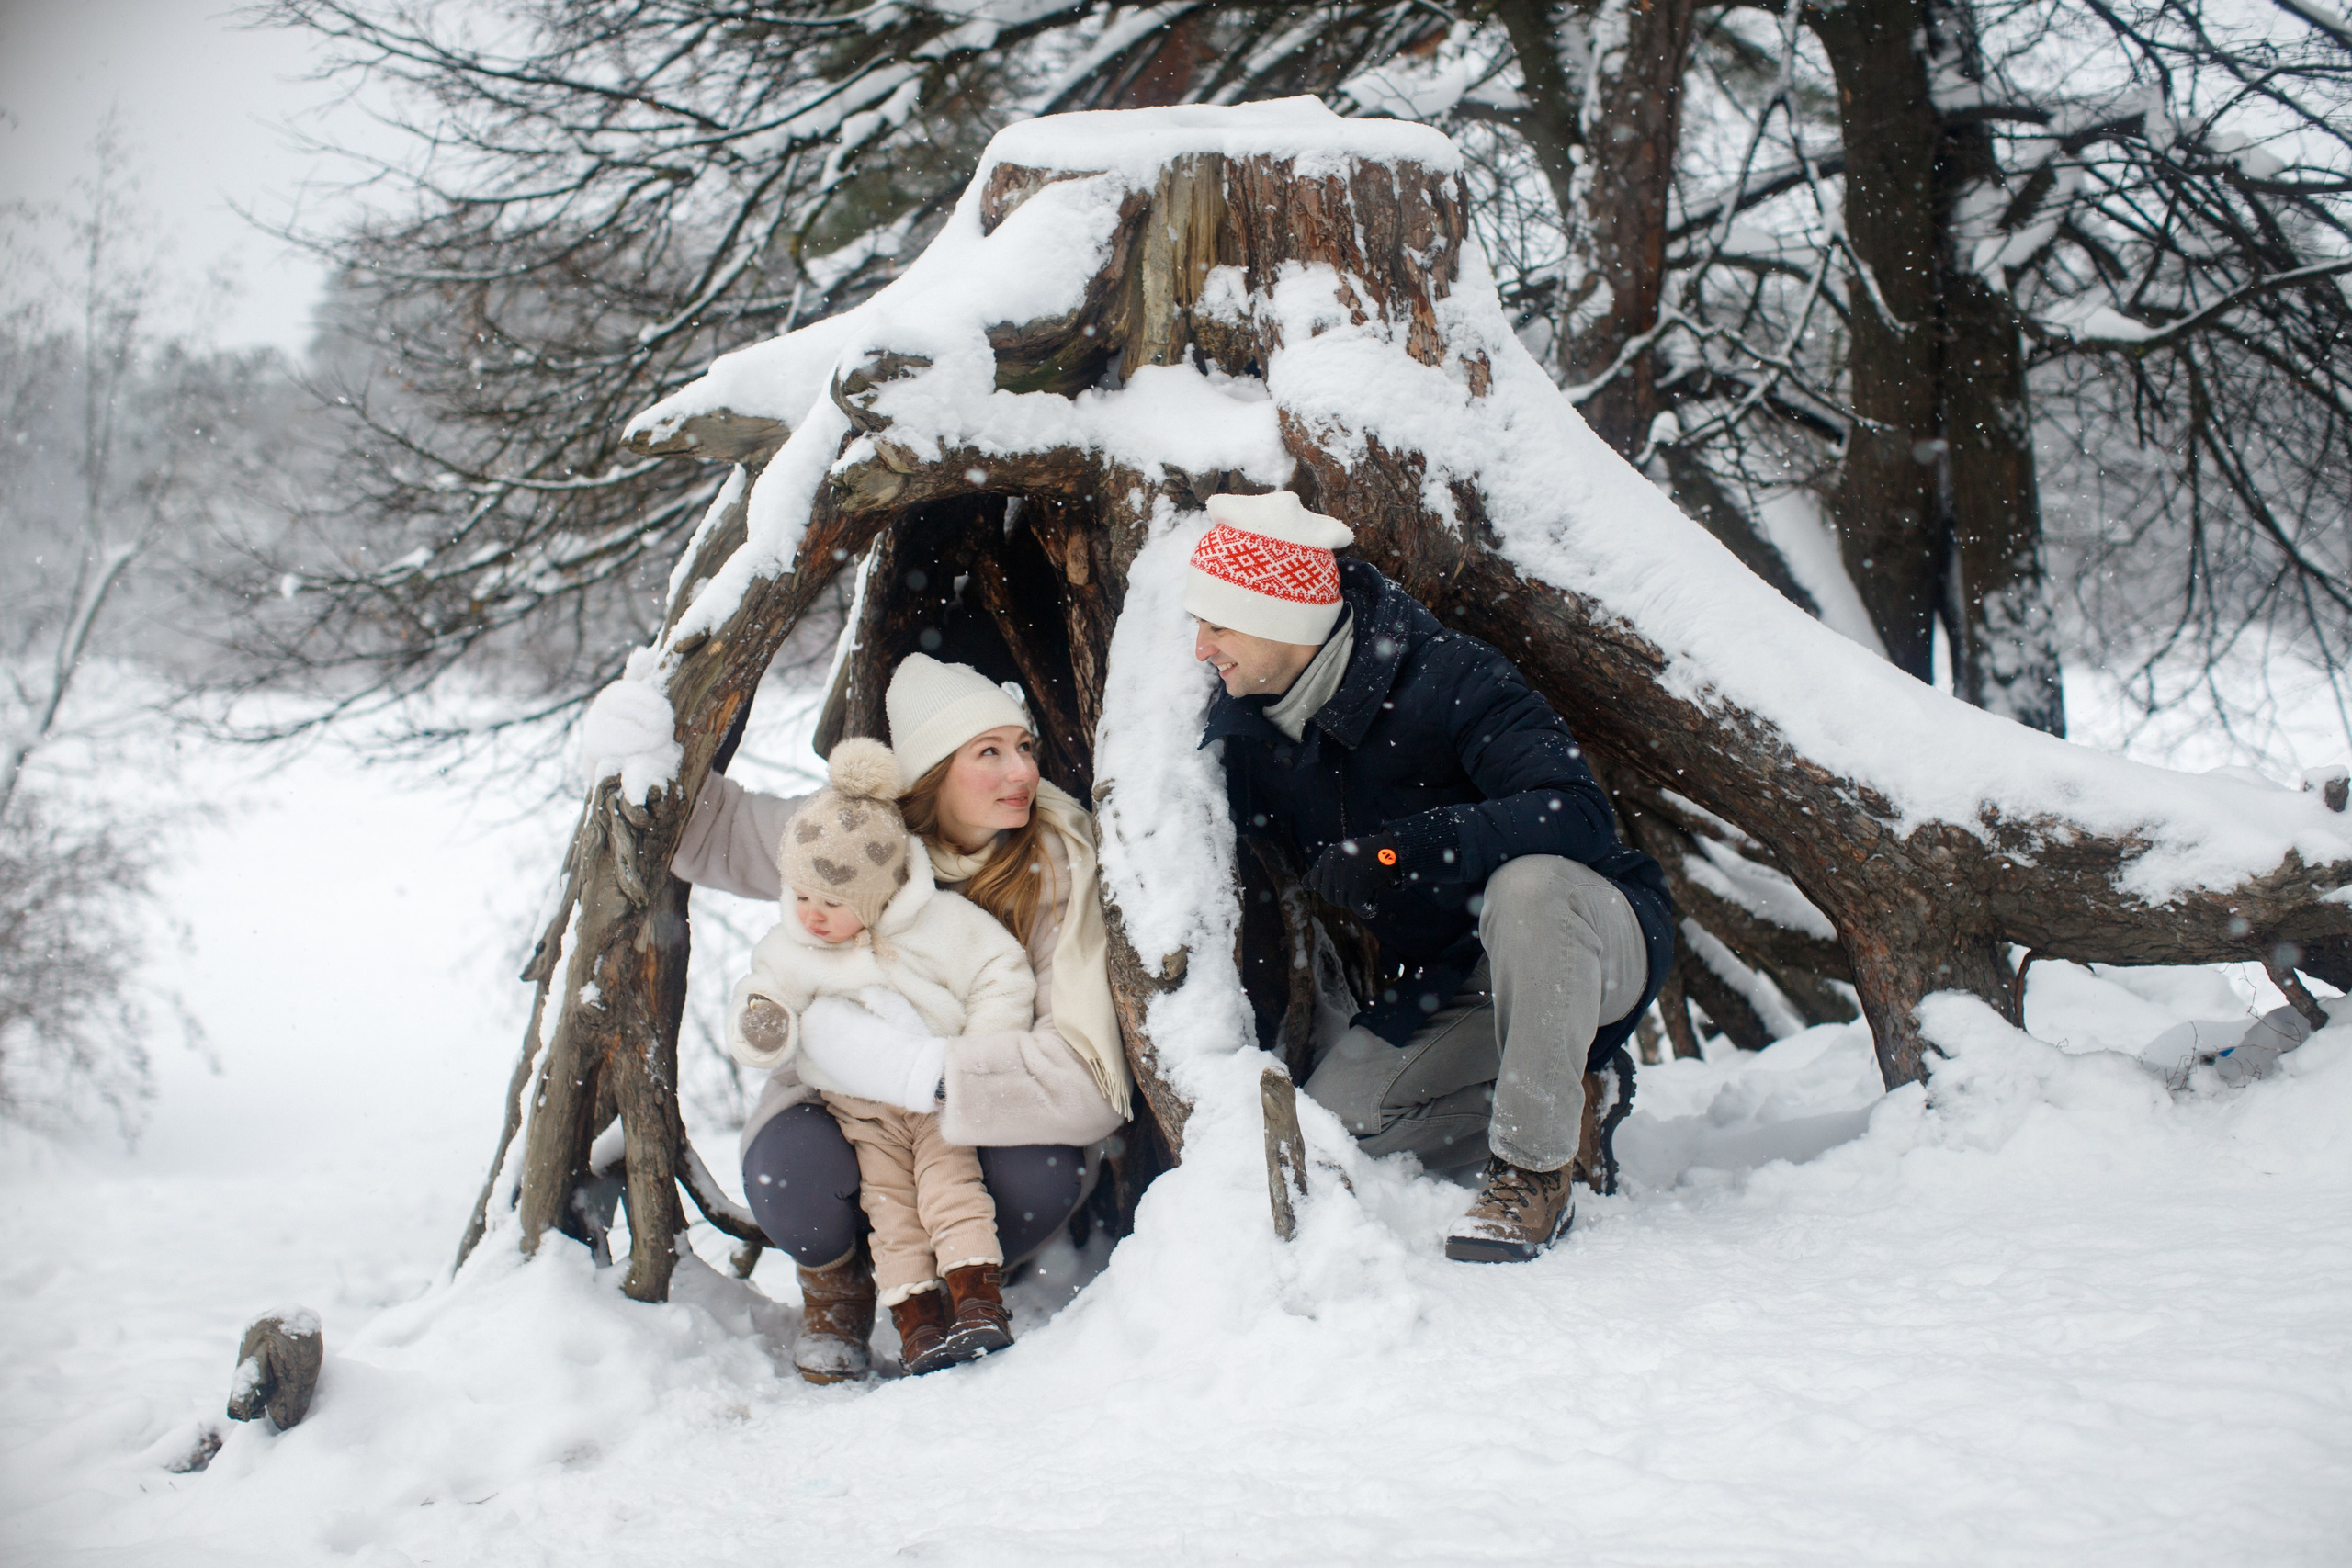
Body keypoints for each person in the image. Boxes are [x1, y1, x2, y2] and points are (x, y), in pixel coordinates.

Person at [1185, 490, 1675, 1262]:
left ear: (1280, 616)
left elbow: (1576, 813)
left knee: (1531, 888)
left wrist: (1401, 851)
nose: (1200, 648)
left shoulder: (1450, 676)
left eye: (1217, 623)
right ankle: (1573, 1092)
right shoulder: (1256, 722)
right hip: (1455, 980)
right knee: (1339, 1125)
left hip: (1588, 937)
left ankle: (1533, 1169)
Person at [665, 654, 1128, 1384]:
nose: (1023, 773)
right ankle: (840, 1288)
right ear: (932, 772)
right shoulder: (862, 837)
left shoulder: (1053, 869)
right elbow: (712, 834)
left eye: (1024, 747)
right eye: (990, 752)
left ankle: (964, 1282)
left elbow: (1089, 1082)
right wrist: (636, 750)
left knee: (1041, 1171)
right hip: (846, 1120)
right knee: (793, 1171)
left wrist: (916, 1068)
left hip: (967, 1126)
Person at [728, 737, 1036, 1374]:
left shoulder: (936, 923)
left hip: (938, 1099)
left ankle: (977, 1300)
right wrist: (764, 1021)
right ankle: (916, 1323)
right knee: (891, 1212)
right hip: (861, 1115)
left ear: (872, 900)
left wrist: (977, 1058)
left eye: (832, 904)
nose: (811, 916)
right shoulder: (794, 943)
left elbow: (1001, 970)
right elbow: (768, 990)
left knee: (954, 1194)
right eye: (802, 895)